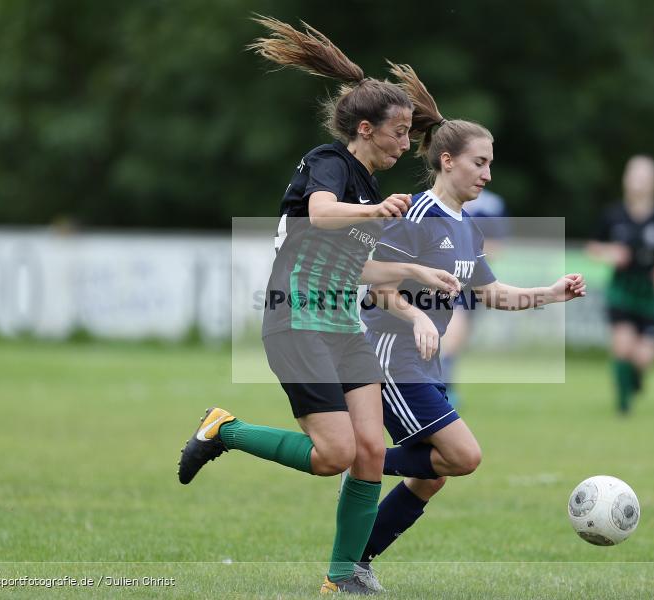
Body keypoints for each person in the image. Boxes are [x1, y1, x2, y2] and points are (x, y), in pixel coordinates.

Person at [176, 18, 459, 595]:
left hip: (340, 322)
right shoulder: (329, 162)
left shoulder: (369, 189)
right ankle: (224, 430)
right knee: (333, 455)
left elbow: (357, 267)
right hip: (296, 317)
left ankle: (342, 578)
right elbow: (322, 213)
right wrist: (376, 216)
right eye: (399, 134)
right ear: (365, 129)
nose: (406, 145)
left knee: (372, 450)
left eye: (409, 135)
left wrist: (412, 271)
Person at [351, 62, 587, 591]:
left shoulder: (466, 229)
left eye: (491, 165)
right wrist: (413, 316)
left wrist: (551, 293)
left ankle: (356, 561)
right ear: (448, 160)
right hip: (390, 356)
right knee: (463, 456)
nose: (487, 174)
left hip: (421, 362)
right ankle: (356, 457)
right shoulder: (416, 215)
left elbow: (491, 294)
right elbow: (374, 285)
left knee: (432, 475)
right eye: (480, 163)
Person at [586, 155, 654, 414]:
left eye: (643, 176)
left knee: (643, 356)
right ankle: (623, 405)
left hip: (650, 294)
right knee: (622, 346)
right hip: (622, 289)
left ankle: (636, 377)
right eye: (632, 174)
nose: (636, 181)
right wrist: (611, 252)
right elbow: (593, 247)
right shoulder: (613, 215)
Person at [438, 187, 510, 405]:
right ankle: (442, 388)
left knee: (457, 338)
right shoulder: (437, 200)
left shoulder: (491, 205)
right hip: (443, 279)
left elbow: (496, 246)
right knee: (451, 333)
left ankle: (444, 385)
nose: (484, 173)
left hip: (473, 281)